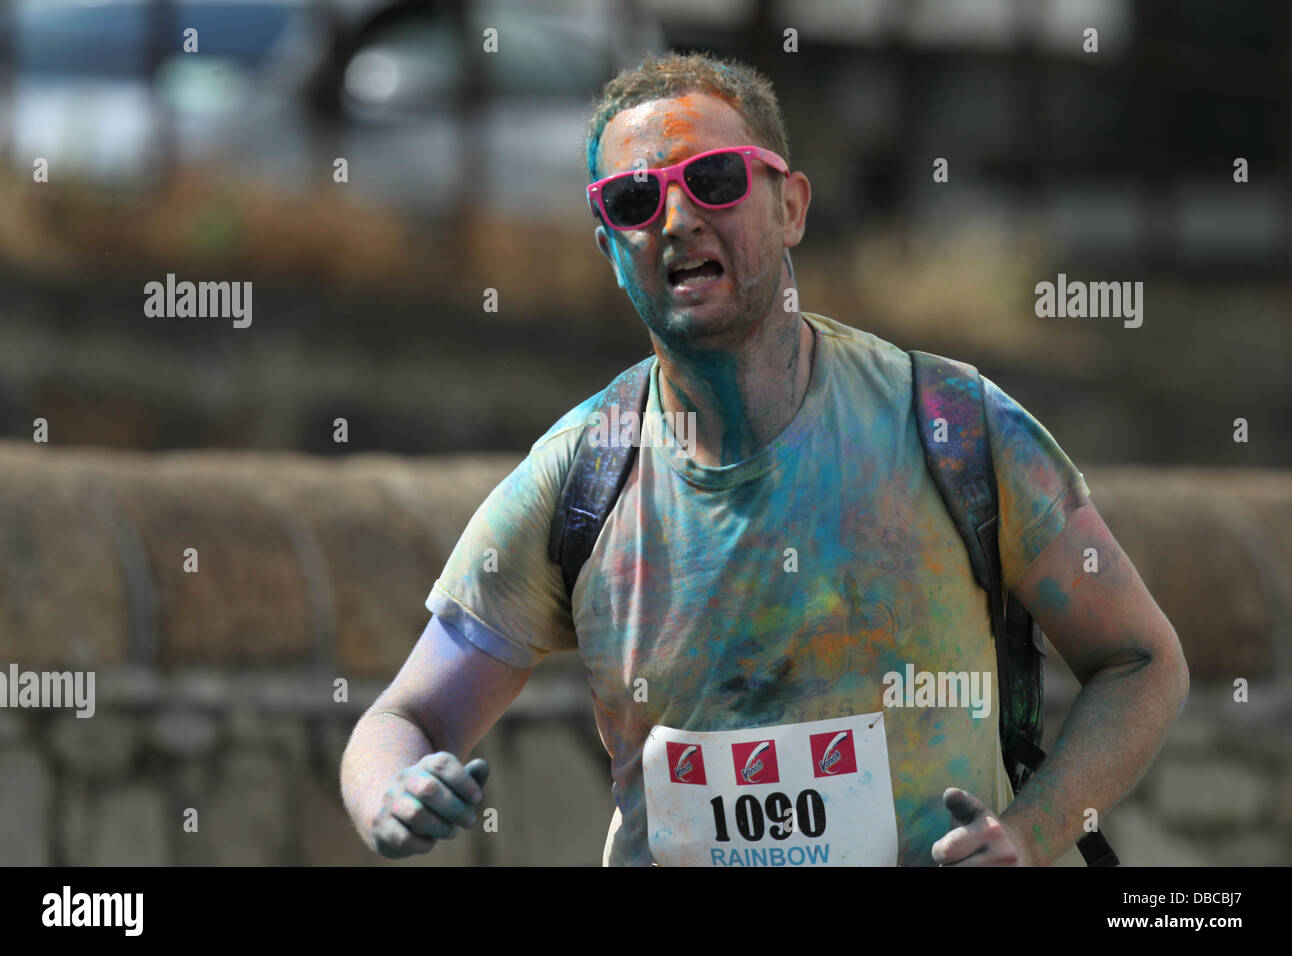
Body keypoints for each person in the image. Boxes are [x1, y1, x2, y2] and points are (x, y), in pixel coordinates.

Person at [339, 51, 1189, 866]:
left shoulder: (952, 426)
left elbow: (1141, 662)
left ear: (791, 206)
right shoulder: (584, 473)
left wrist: (1033, 836)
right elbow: (407, 716)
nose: (675, 219)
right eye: (634, 199)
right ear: (608, 246)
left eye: (714, 180)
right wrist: (392, 793)